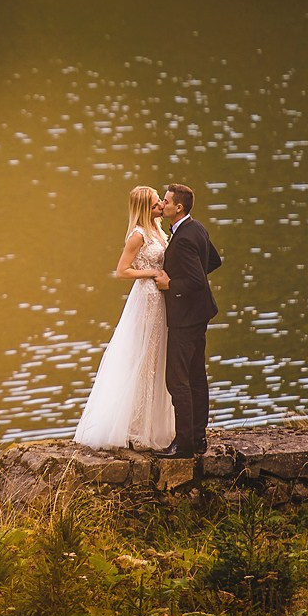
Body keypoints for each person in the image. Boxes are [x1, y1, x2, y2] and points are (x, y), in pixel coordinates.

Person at [73, 186, 176, 451]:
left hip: (160, 299)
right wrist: (151, 273)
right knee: (144, 359)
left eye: (160, 202)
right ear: (144, 208)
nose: (160, 206)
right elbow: (122, 271)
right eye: (155, 203)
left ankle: (154, 425)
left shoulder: (157, 229)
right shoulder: (138, 235)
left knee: (157, 359)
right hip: (147, 299)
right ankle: (135, 427)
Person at [149, 182, 222, 458]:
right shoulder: (196, 228)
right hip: (199, 314)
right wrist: (189, 275)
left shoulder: (184, 239)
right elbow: (213, 261)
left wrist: (171, 284)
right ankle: (198, 439)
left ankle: (184, 445)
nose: (162, 204)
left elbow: (196, 281)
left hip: (186, 318)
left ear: (178, 207)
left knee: (177, 380)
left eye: (166, 201)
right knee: (196, 377)